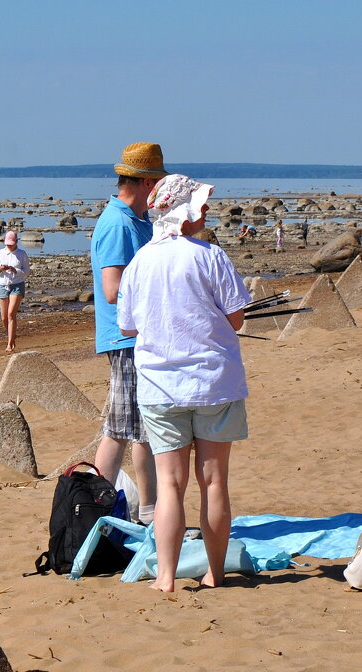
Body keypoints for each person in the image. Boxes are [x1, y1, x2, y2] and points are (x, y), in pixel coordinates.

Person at [116, 174, 252, 592]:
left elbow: (128, 326)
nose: (206, 210)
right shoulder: (211, 256)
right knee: (214, 482)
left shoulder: (140, 262)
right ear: (183, 212)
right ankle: (215, 572)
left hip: (160, 387)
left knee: (169, 484)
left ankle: (166, 577)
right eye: (200, 205)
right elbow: (236, 318)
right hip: (214, 382)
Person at [91, 142, 166, 522]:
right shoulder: (118, 222)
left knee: (138, 424)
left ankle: (147, 509)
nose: (157, 190)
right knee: (123, 425)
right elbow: (111, 288)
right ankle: (98, 508)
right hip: (125, 337)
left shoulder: (139, 220)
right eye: (154, 182)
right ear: (139, 182)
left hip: (139, 335)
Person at [0, 230, 29, 352]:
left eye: (11, 243)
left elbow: (26, 272)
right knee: (4, 317)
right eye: (7, 243)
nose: (9, 246)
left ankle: (10, 344)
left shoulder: (22, 254)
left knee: (11, 314)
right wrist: (1, 269)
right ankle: (11, 335)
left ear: (16, 242)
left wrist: (16, 270)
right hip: (2, 285)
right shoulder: (0, 253)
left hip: (17, 285)